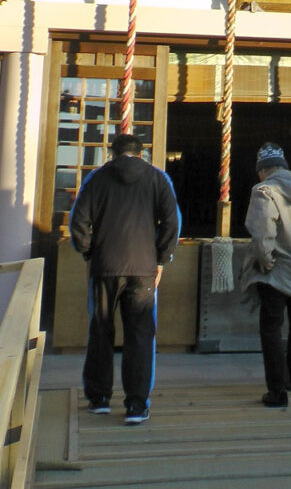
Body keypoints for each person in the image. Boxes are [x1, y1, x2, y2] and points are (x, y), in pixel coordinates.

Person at [69, 132, 180, 425]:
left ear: (112, 153)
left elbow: (78, 220)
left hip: (105, 267)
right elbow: (172, 220)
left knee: (101, 330)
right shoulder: (157, 179)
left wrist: (88, 251)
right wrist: (161, 258)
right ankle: (136, 405)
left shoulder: (97, 179)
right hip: (143, 267)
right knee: (141, 336)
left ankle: (99, 399)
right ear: (141, 153)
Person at [242, 142, 291, 408]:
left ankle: (276, 390)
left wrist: (265, 259)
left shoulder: (264, 190)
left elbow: (263, 231)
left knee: (271, 328)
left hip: (276, 271)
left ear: (263, 170)